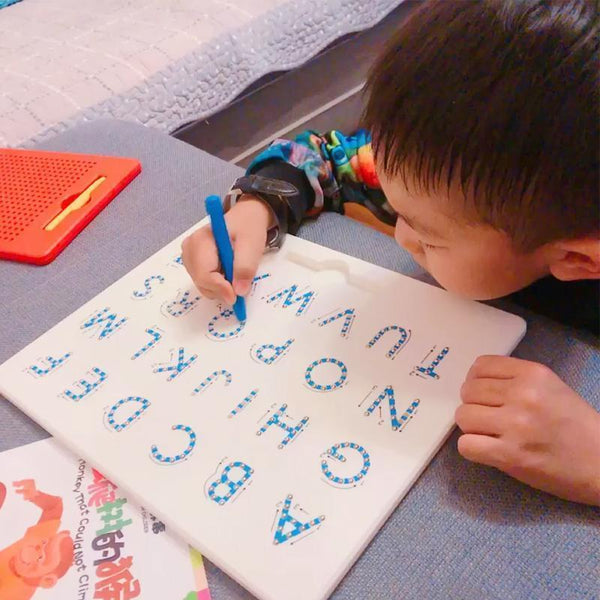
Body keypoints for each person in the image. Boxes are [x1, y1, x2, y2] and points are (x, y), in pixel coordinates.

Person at [182, 0, 600, 505]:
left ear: (577, 260)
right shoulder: (445, 169)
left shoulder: (525, 195)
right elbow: (323, 156)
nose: (400, 234)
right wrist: (256, 205)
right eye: (393, 201)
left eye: (430, 238)